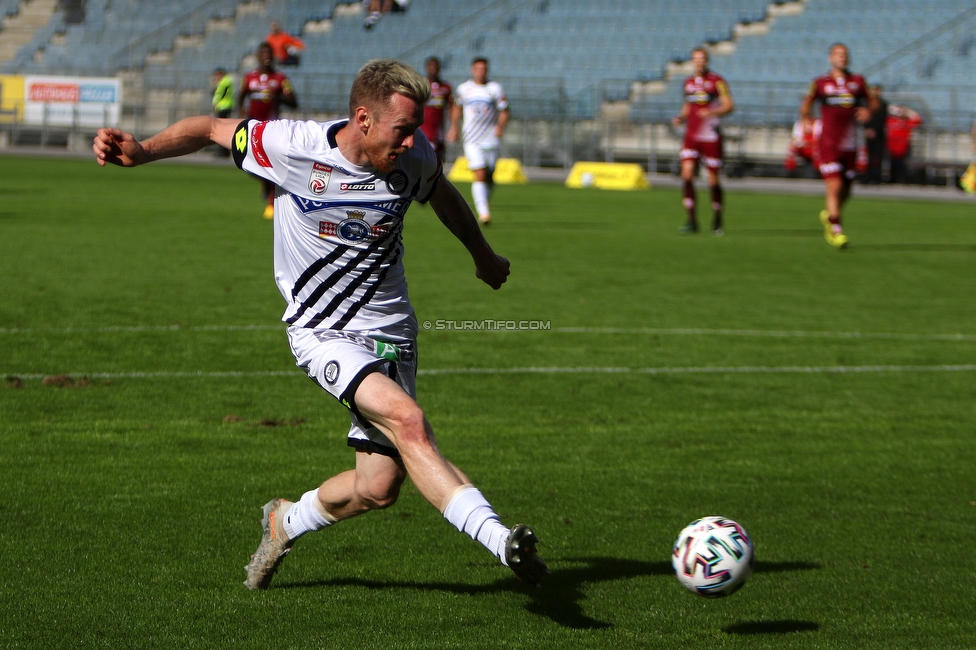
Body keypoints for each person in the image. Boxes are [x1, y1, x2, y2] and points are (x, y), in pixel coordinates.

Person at [92, 58, 549, 591]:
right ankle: (504, 544)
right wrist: (144, 151)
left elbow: (441, 194)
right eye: (402, 130)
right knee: (409, 422)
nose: (411, 142)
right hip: (322, 331)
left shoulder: (414, 155)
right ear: (363, 119)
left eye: (415, 130)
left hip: (393, 330)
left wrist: (482, 254)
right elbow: (210, 128)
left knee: (378, 486)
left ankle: (285, 520)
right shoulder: (289, 145)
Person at [800, 43, 879, 250]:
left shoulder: (858, 81)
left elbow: (874, 102)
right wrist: (806, 118)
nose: (842, 57)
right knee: (834, 185)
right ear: (830, 58)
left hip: (850, 144)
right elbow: (807, 103)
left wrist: (869, 111)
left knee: (847, 188)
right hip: (828, 143)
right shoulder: (820, 83)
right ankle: (836, 231)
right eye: (838, 54)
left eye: (845, 54)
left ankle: (830, 215)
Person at [672, 48, 734, 236]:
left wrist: (711, 112)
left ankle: (717, 216)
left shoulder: (717, 82)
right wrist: (681, 117)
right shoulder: (688, 82)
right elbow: (687, 106)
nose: (699, 62)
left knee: (713, 181)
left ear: (707, 61)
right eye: (695, 59)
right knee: (687, 175)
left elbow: (729, 105)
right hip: (691, 136)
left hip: (710, 136)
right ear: (692, 61)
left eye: (702, 59)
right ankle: (691, 220)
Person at [237, 42, 298, 219]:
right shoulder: (249, 78)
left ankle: (272, 202)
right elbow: (241, 97)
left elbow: (294, 102)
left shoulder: (280, 79)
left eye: (269, 53)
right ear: (258, 56)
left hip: (272, 129)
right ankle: (265, 185)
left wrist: (279, 96)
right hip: (253, 128)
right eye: (263, 53)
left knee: (270, 164)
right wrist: (242, 113)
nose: (267, 56)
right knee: (250, 165)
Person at [448, 57, 509, 225]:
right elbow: (456, 107)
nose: (481, 72)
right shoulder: (464, 89)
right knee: (480, 173)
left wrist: (500, 127)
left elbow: (505, 110)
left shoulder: (494, 88)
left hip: (491, 138)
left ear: (487, 71)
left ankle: (483, 200)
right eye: (478, 69)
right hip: (472, 139)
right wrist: (454, 127)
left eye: (484, 69)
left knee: (490, 176)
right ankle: (484, 213)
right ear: (472, 70)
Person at [420, 56, 452, 161]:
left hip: (439, 131)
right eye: (431, 66)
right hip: (423, 129)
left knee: (438, 161)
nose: (433, 68)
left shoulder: (445, 87)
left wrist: (452, 127)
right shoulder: (421, 86)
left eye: (436, 66)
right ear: (426, 67)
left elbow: (451, 107)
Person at [885, 104, 922, 184]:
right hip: (892, 146)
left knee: (901, 164)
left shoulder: (907, 122)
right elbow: (883, 114)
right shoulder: (891, 120)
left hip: (903, 147)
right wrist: (894, 109)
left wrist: (908, 111)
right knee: (892, 163)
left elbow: (918, 119)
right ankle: (892, 179)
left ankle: (900, 179)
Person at [862, 85, 888, 184]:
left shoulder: (883, 105)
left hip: (879, 134)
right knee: (868, 156)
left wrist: (875, 130)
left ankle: (877, 176)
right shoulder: (867, 104)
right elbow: (864, 118)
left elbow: (882, 120)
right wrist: (868, 129)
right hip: (869, 133)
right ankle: (867, 176)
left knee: (878, 156)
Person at [211, 68, 235, 157]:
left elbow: (218, 95)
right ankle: (224, 151)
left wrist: (215, 104)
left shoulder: (224, 82)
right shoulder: (227, 81)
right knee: (224, 129)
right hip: (226, 106)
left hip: (223, 107)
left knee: (220, 129)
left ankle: (222, 152)